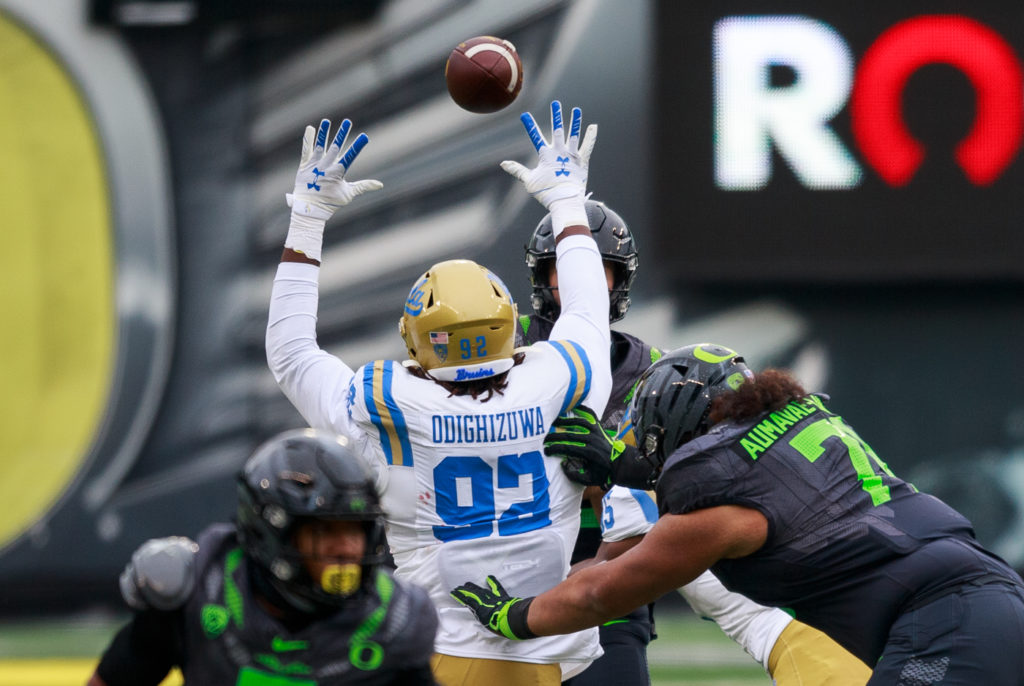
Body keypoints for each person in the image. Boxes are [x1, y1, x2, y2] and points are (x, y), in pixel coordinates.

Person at [265, 102, 612, 685]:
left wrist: (308, 219)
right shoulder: (557, 376)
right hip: (546, 652)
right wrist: (567, 203)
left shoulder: (388, 402)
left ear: (418, 337)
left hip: (437, 651)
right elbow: (586, 309)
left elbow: (292, 353)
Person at [451, 344, 1024, 684]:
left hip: (944, 625)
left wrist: (515, 615)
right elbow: (767, 493)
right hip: (989, 597)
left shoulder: (713, 486)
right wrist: (631, 471)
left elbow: (605, 592)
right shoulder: (799, 422)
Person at [521, 208, 871, 685]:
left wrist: (618, 475)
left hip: (607, 568)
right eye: (567, 271)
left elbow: (661, 511)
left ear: (619, 280)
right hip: (511, 553)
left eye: (598, 270)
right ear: (542, 276)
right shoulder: (500, 351)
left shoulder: (660, 375)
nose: (583, 286)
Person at [88, 429, 438, 686]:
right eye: (324, 531)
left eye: (354, 530)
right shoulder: (194, 590)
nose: (346, 548)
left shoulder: (394, 621)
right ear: (271, 531)